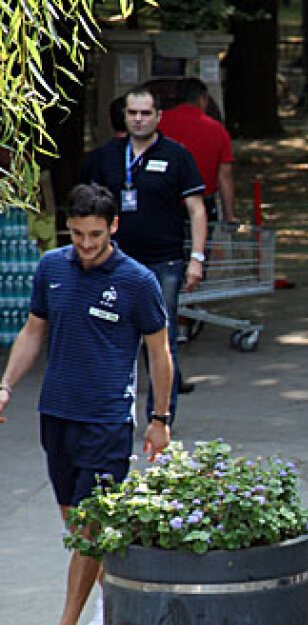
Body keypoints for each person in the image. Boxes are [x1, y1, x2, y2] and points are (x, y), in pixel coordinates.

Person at [0, 183, 173, 625]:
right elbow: (34, 330)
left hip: (107, 421)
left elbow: (159, 353)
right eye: (77, 234)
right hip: (57, 414)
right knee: (76, 525)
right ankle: (112, 597)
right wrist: (6, 384)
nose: (86, 244)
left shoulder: (138, 282)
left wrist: (160, 419)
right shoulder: (52, 267)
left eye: (95, 234)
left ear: (113, 226)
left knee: (91, 526)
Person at [80, 85, 206, 420]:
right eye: (133, 113)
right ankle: (110, 415)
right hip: (114, 262)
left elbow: (196, 209)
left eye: (146, 113)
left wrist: (197, 258)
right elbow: (88, 210)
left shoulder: (176, 156)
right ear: (124, 116)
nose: (139, 119)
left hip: (164, 261)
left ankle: (161, 417)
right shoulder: (105, 157)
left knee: (161, 339)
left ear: (158, 116)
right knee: (108, 334)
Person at [158, 78, 237, 225]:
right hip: (203, 204)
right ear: (202, 100)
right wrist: (229, 215)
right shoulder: (217, 130)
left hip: (163, 203)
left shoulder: (158, 124)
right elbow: (224, 176)